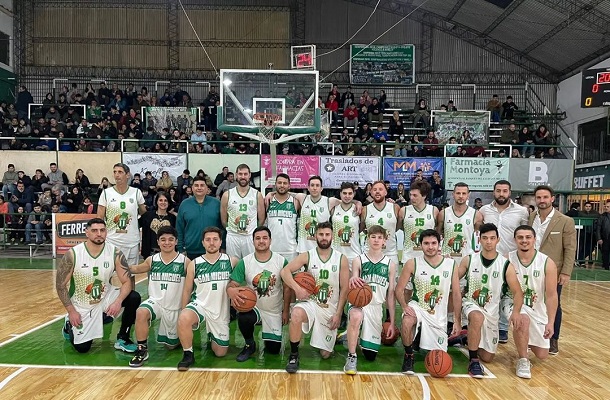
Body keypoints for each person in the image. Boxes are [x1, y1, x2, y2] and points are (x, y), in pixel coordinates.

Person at [55, 218, 141, 353]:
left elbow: (126, 281)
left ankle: (123, 337)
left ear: (106, 232)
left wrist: (118, 301)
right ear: (87, 233)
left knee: (133, 297)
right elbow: (60, 285)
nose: (99, 233)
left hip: (105, 296)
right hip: (82, 305)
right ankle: (68, 325)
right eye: (94, 230)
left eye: (102, 230)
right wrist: (71, 311)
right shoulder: (73, 254)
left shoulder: (115, 253)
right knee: (82, 348)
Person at [457, 223, 526, 378]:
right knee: (476, 316)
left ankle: (467, 338)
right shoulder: (468, 260)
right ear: (479, 240)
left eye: (492, 238)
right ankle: (473, 361)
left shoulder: (505, 265)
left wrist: (515, 312)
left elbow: (518, 293)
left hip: (492, 311)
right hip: (470, 304)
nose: (488, 241)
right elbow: (453, 280)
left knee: (488, 357)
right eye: (485, 238)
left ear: (498, 240)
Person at [280, 222, 348, 373]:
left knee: (325, 355)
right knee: (296, 313)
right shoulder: (307, 255)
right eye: (321, 234)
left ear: (332, 236)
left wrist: (338, 314)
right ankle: (294, 355)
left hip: (329, 308)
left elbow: (345, 289)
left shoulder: (341, 258)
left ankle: (333, 337)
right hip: (310, 303)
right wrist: (297, 288)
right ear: (315, 236)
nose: (324, 238)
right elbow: (285, 272)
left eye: (327, 234)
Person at [394, 229, 462, 374]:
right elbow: (399, 289)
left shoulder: (451, 264)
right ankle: (408, 355)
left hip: (439, 315)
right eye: (426, 243)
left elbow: (456, 293)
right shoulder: (412, 263)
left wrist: (457, 320)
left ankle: (421, 337)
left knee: (438, 356)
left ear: (439, 244)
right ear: (420, 245)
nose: (430, 247)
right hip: (418, 306)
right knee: (407, 320)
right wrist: (405, 306)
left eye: (433, 243)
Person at [176, 227, 238, 371]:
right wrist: (183, 312)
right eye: (208, 240)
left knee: (220, 353)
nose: (212, 243)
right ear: (203, 243)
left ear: (221, 242)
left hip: (220, 312)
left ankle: (212, 335)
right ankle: (188, 354)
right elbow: (187, 290)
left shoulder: (232, 261)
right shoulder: (194, 264)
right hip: (200, 305)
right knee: (184, 317)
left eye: (215, 239)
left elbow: (241, 279)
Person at [127, 226, 189, 367]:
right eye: (163, 240)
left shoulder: (184, 261)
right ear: (158, 242)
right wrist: (117, 263)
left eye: (170, 239)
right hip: (155, 302)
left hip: (174, 307)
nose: (167, 243)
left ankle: (178, 336)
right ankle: (142, 349)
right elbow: (136, 269)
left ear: (176, 241)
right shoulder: (152, 260)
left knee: (171, 346)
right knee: (141, 312)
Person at [227, 226, 290, 362]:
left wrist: (285, 311)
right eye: (258, 238)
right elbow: (233, 284)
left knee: (273, 350)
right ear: (253, 241)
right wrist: (231, 290)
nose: (261, 241)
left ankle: (270, 337)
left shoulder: (281, 261)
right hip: (254, 308)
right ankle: (250, 344)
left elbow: (287, 288)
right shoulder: (245, 261)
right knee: (244, 317)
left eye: (265, 238)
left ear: (270, 240)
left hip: (274, 310)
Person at [479, 180, 529, 343]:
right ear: (494, 192)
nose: (502, 194)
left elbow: (524, 233)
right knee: (489, 291)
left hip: (510, 258)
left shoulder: (521, 211)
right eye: (498, 191)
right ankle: (486, 324)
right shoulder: (484, 210)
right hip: (488, 258)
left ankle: (502, 327)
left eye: (505, 191)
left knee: (506, 293)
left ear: (510, 192)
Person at [528, 185, 575, 355]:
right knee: (532, 302)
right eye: (539, 197)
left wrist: (566, 272)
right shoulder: (532, 217)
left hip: (553, 270)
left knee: (553, 304)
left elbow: (570, 248)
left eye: (545, 197)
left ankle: (553, 339)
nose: (542, 200)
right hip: (532, 268)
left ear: (552, 199)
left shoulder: (565, 221)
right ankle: (533, 337)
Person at [343, 225, 397, 375]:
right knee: (356, 316)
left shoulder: (390, 265)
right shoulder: (358, 260)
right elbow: (354, 279)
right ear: (367, 239)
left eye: (380, 237)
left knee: (370, 355)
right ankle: (351, 356)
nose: (376, 240)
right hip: (359, 303)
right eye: (373, 237)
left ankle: (352, 334)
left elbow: (390, 295)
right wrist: (354, 277)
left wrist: (392, 322)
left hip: (376, 307)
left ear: (385, 241)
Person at [508, 225, 558, 378]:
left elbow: (551, 296)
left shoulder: (547, 263)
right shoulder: (507, 259)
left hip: (536, 307)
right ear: (515, 240)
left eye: (528, 237)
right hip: (513, 304)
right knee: (522, 319)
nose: (524, 241)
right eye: (520, 237)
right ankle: (523, 360)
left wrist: (551, 322)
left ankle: (524, 340)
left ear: (534, 239)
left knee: (542, 354)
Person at [97, 163, 147, 267]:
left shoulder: (136, 192)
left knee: (130, 275)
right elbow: (99, 218)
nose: (116, 175)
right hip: (112, 240)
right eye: (115, 172)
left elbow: (144, 213)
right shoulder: (106, 193)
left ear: (128, 175)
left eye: (120, 172)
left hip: (132, 241)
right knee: (108, 275)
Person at [220, 164, 265, 259]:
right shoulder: (227, 195)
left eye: (245, 174)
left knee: (250, 265)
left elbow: (261, 219)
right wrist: (232, 228)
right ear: (236, 175)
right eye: (240, 174)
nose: (243, 177)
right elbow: (223, 220)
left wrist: (252, 230)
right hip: (233, 236)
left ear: (249, 175)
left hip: (249, 236)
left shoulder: (257, 195)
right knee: (233, 265)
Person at [176, 177, 222, 260]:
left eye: (202, 185)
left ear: (207, 188)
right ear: (192, 188)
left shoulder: (216, 203)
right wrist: (180, 248)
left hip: (213, 250)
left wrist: (223, 246)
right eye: (196, 185)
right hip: (190, 251)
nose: (199, 188)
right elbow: (179, 228)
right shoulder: (184, 204)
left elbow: (222, 227)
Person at [436, 182, 483, 263]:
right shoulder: (443, 213)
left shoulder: (476, 215)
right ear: (453, 194)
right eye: (458, 193)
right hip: (447, 257)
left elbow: (477, 236)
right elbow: (438, 234)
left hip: (467, 257)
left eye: (464, 193)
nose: (461, 196)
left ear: (468, 195)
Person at [360, 181, 401, 266]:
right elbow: (362, 229)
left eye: (380, 189)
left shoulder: (395, 208)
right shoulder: (365, 209)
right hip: (370, 254)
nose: (377, 191)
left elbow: (397, 228)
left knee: (392, 279)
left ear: (386, 192)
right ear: (371, 193)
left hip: (390, 254)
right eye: (374, 189)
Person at [399, 180, 438, 264]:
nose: (412, 198)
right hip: (408, 257)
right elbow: (400, 228)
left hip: (428, 257)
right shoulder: (404, 211)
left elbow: (437, 231)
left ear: (424, 196)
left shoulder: (433, 210)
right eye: (410, 195)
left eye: (415, 195)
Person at [266, 174, 300, 261]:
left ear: (289, 186)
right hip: (272, 248)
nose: (282, 185)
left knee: (290, 274)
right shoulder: (268, 200)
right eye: (279, 183)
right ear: (275, 184)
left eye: (285, 183)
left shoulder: (295, 201)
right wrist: (270, 193)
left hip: (290, 249)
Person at [331, 182, 361, 266]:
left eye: (350, 193)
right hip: (336, 253)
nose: (347, 196)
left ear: (354, 194)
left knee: (354, 279)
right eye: (344, 193)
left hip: (354, 254)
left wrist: (359, 203)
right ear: (340, 193)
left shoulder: (358, 210)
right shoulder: (333, 208)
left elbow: (361, 228)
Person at [140, 193, 177, 259]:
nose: (163, 202)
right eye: (160, 200)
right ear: (156, 202)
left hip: (168, 253)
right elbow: (135, 226)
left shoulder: (173, 218)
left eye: (165, 200)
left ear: (169, 203)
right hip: (150, 253)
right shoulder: (147, 216)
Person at [596, 200, 610, 270]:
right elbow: (598, 228)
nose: (606, 208)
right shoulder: (602, 216)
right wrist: (599, 238)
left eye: (608, 207)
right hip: (605, 237)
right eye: (605, 206)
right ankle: (606, 266)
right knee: (605, 252)